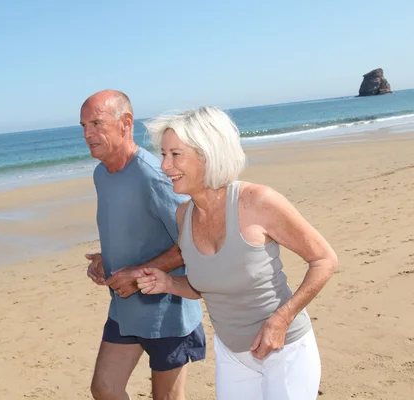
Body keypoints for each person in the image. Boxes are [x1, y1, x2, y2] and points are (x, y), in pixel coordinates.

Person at [134, 105, 338, 400]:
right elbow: (209, 286)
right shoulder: (183, 216)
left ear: (208, 154)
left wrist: (280, 320)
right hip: (232, 355)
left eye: (175, 154)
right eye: (163, 154)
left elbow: (324, 260)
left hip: (285, 350)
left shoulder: (257, 202)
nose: (164, 166)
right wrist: (168, 283)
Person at [80, 90, 206, 400]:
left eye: (96, 123)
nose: (87, 134)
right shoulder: (102, 175)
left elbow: (193, 240)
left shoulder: (154, 176)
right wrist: (106, 258)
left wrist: (138, 274)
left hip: (168, 312)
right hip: (124, 309)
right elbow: (136, 229)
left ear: (125, 123)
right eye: (83, 126)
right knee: (105, 389)